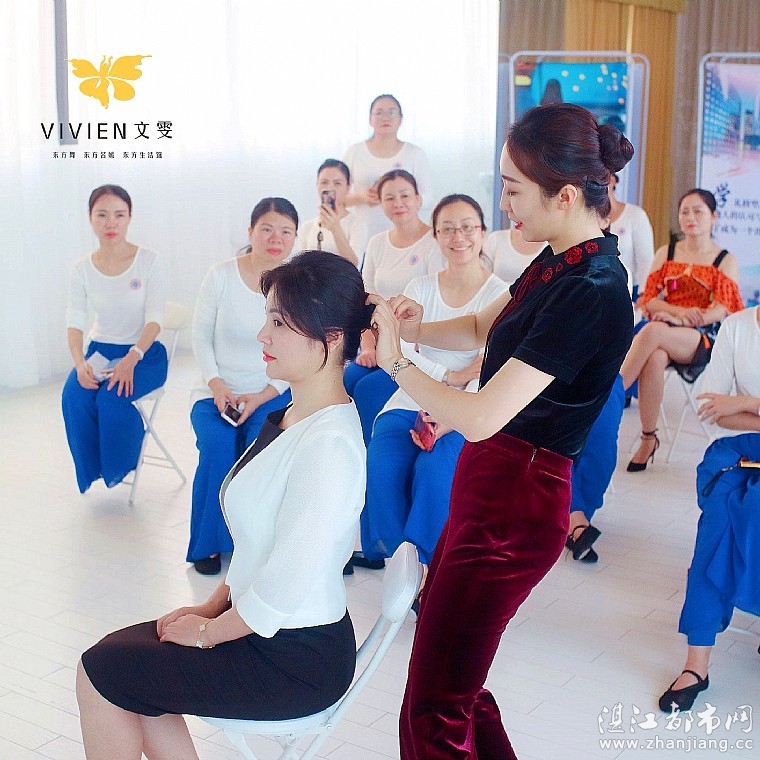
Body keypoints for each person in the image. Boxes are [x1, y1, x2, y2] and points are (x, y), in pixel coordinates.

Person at [369, 102, 635, 759]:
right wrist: (412, 325)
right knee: (456, 690)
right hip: (490, 491)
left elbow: (482, 413)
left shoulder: (592, 287)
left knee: (434, 708)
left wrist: (397, 360)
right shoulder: (559, 261)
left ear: (564, 194)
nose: (504, 204)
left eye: (513, 189)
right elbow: (481, 327)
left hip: (514, 509)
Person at [76, 250, 373, 760]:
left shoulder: (329, 446)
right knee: (121, 667)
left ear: (331, 339)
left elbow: (284, 584)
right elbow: (261, 546)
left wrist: (209, 633)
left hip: (294, 658)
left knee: (102, 672)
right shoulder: (293, 414)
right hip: (264, 628)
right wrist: (209, 607)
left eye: (279, 323)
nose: (262, 335)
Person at [361, 195, 509, 570]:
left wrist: (455, 411)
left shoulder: (500, 294)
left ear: (483, 233)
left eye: (468, 227)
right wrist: (449, 375)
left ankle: (428, 563)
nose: (459, 237)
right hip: (412, 395)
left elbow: (492, 367)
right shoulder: (420, 287)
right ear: (436, 236)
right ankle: (400, 563)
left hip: (470, 408)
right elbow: (399, 348)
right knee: (382, 463)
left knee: (435, 471)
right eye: (448, 229)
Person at [187, 198, 297, 575]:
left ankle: (252, 545)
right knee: (217, 446)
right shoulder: (220, 276)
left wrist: (263, 395)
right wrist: (217, 384)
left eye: (285, 231)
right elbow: (200, 336)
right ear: (250, 232)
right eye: (267, 229)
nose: (276, 238)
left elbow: (298, 349)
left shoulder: (295, 288)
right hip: (215, 394)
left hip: (271, 395)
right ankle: (207, 544)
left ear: (295, 238)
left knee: (258, 452)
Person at [659, 304, 760, 712]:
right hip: (739, 453)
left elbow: (730, 407)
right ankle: (696, 664)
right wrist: (734, 409)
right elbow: (713, 412)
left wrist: (745, 402)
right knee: (718, 522)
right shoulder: (737, 327)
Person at [620, 189, 743, 472]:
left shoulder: (725, 259)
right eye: (685, 211)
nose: (690, 217)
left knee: (652, 332)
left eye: (698, 211)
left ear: (714, 217)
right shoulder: (667, 252)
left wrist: (680, 319)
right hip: (665, 328)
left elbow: (721, 309)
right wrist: (675, 314)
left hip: (703, 335)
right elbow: (649, 298)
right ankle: (648, 438)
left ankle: (609, 394)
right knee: (655, 356)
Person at [62, 185, 168, 494]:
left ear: (130, 217)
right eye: (102, 215)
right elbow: (75, 321)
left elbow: (155, 319)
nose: (111, 223)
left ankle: (121, 464)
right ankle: (94, 469)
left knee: (111, 399)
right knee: (74, 396)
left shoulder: (149, 261)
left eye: (119, 215)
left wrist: (131, 359)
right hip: (100, 351)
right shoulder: (82, 269)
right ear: (90, 218)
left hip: (144, 354)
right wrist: (80, 363)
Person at [344, 169, 444, 444]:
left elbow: (435, 305)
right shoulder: (377, 243)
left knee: (366, 389)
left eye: (405, 195)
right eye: (389, 197)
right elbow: (365, 300)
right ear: (381, 203)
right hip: (377, 344)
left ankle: (367, 453)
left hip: (415, 351)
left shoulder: (435, 243)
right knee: (348, 378)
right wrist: (367, 346)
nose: (398, 203)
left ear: (418, 199)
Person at [343, 94, 432, 246]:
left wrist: (401, 199)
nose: (385, 118)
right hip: (362, 238)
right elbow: (337, 198)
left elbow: (428, 198)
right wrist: (362, 197)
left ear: (401, 119)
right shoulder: (355, 152)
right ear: (370, 119)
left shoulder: (414, 153)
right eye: (379, 113)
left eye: (392, 112)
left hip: (406, 238)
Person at [296, 159, 367, 268]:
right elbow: (299, 266)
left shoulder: (357, 223)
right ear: (317, 185)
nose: (330, 188)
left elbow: (354, 266)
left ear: (348, 187)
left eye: (337, 183)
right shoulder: (307, 227)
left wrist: (335, 228)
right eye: (324, 182)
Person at [606, 173, 654, 299]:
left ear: (612, 180)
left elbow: (646, 260)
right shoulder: (587, 216)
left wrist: (643, 294)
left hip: (631, 290)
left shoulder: (635, 215)